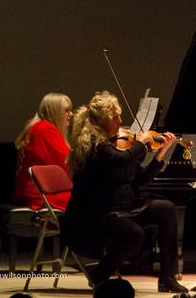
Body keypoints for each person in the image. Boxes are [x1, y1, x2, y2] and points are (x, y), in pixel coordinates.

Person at [65, 90, 188, 293]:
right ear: (101, 122)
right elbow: (122, 160)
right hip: (96, 215)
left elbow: (139, 181)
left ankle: (167, 276)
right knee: (134, 234)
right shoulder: (96, 148)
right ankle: (100, 273)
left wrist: (161, 153)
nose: (121, 121)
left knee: (166, 209)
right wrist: (141, 141)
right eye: (115, 117)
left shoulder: (116, 146)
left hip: (123, 210)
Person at [13, 93, 73, 210]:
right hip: (40, 194)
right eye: (67, 110)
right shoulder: (45, 130)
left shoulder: (38, 127)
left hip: (35, 191)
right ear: (55, 111)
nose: (71, 114)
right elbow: (66, 162)